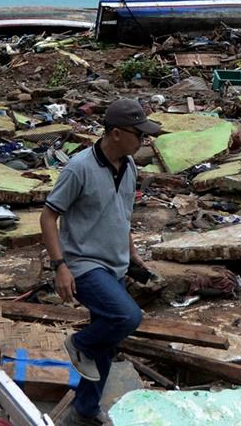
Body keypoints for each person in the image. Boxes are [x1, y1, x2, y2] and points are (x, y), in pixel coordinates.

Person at [39, 98, 161, 426]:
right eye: (140, 135)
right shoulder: (79, 168)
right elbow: (48, 216)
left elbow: (122, 217)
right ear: (117, 133)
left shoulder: (130, 167)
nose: (144, 141)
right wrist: (59, 266)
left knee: (105, 345)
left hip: (116, 264)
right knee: (126, 317)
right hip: (83, 263)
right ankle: (78, 344)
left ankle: (86, 410)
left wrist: (133, 256)